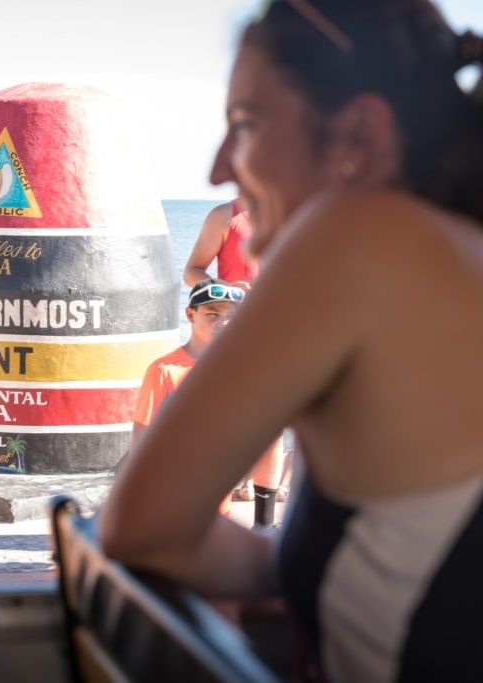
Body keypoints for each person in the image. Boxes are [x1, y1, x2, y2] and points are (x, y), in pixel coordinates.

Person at [100, 1, 483, 680]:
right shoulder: (447, 248)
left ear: (357, 136)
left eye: (245, 125)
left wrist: (285, 574)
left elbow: (141, 522)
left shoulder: (353, 239)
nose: (221, 167)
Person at [184, 200, 287, 525]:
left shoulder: (301, 210)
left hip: (283, 332)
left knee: (273, 429)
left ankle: (264, 524)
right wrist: (225, 290)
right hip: (233, 335)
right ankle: (212, 516)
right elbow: (192, 271)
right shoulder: (225, 216)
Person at [131, 278, 244, 517]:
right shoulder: (164, 370)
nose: (222, 323)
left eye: (230, 316)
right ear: (190, 315)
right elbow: (142, 432)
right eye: (212, 314)